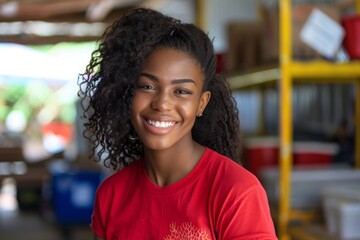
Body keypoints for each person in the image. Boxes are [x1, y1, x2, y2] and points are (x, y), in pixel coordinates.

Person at [78, 8, 277, 240]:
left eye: (181, 91)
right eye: (148, 86)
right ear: (127, 93)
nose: (162, 104)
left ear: (201, 104)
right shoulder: (110, 195)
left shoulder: (237, 192)